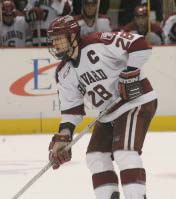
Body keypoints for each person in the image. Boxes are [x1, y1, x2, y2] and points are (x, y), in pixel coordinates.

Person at [47, 15, 157, 199]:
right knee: (96, 157)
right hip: (108, 113)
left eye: (59, 38)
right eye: (53, 39)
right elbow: (71, 110)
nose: (55, 44)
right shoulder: (64, 73)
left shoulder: (98, 42)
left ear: (73, 35)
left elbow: (140, 44)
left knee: (124, 152)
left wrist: (130, 72)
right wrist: (64, 137)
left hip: (135, 101)